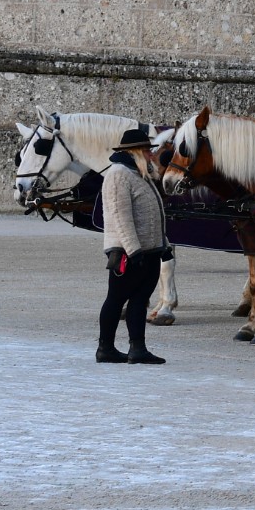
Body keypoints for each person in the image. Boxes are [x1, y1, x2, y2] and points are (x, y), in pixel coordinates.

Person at [98, 125, 171, 365]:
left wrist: (164, 244)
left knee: (140, 301)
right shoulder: (119, 174)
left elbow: (154, 214)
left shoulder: (139, 173)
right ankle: (105, 348)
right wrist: (133, 250)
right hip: (128, 253)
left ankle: (137, 348)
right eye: (147, 151)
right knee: (116, 299)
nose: (152, 155)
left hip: (149, 250)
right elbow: (120, 216)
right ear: (136, 151)